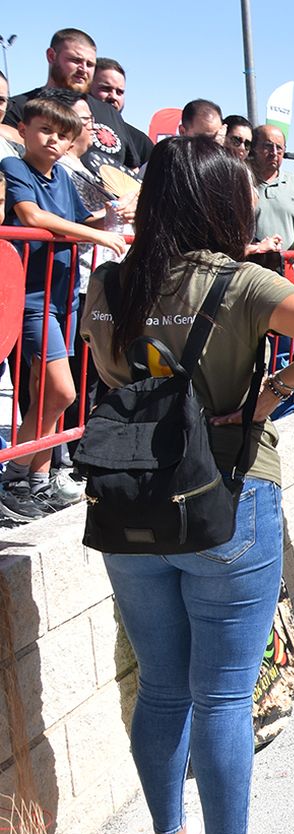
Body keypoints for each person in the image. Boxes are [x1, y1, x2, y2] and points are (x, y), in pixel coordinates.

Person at [79, 135, 294, 834]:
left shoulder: (107, 282)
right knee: (225, 694)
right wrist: (271, 394)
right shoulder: (239, 281)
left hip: (132, 503)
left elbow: (108, 373)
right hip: (227, 497)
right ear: (223, 204)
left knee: (161, 687)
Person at [0, 95, 125, 520]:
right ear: (24, 131)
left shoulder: (64, 180)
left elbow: (78, 221)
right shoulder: (15, 167)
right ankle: (15, 475)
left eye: (63, 134)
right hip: (34, 299)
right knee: (62, 391)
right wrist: (98, 237)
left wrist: (107, 218)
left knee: (46, 392)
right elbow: (32, 217)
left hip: (63, 296)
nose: (54, 140)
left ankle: (38, 479)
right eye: (45, 130)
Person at [4, 28, 148, 169]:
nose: (83, 69)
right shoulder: (20, 107)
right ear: (51, 56)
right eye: (75, 60)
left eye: (90, 64)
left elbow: (132, 167)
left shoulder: (109, 113)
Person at [245, 124, 294, 265]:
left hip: (289, 272)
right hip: (252, 273)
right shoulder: (241, 180)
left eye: (279, 148)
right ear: (253, 148)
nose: (274, 152)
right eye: (268, 146)